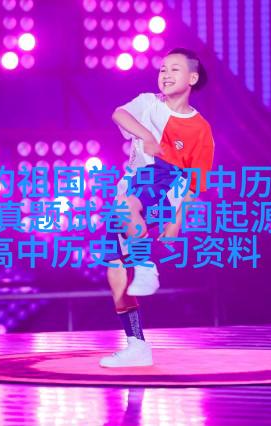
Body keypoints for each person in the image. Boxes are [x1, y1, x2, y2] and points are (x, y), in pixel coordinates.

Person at [99, 47, 215, 368]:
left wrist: (177, 220)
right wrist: (147, 136)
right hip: (133, 182)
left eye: (175, 69)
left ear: (192, 78)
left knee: (126, 207)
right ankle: (136, 345)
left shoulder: (200, 129)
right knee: (116, 271)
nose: (166, 74)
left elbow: (195, 182)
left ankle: (147, 266)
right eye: (163, 69)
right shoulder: (148, 102)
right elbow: (119, 114)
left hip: (166, 182)